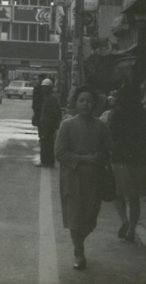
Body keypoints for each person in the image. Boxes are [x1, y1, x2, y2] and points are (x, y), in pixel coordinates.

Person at [55, 86, 114, 270]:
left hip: (93, 180)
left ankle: (78, 245)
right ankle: (80, 254)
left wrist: (100, 156)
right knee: (74, 217)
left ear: (95, 104)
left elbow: (109, 150)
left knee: (90, 219)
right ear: (76, 103)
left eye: (89, 100)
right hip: (72, 179)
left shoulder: (102, 126)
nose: (85, 104)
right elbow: (59, 153)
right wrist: (82, 159)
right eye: (81, 100)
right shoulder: (67, 125)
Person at [107, 84, 146, 243]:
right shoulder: (145, 114)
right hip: (138, 161)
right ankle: (132, 229)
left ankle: (124, 221)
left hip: (120, 159)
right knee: (134, 198)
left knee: (117, 194)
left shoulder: (118, 114)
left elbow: (111, 133)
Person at [35, 78, 62, 167]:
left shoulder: (52, 98)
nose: (43, 89)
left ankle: (46, 161)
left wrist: (53, 123)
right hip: (45, 124)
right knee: (46, 143)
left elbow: (57, 113)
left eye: (46, 87)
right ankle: (48, 161)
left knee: (47, 144)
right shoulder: (46, 98)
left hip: (49, 125)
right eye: (43, 87)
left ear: (50, 88)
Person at [31, 74, 48, 138]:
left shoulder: (37, 88)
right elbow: (34, 98)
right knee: (40, 123)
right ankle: (42, 136)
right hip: (39, 108)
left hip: (40, 108)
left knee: (41, 123)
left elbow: (34, 99)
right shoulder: (38, 88)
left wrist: (34, 107)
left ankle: (41, 136)